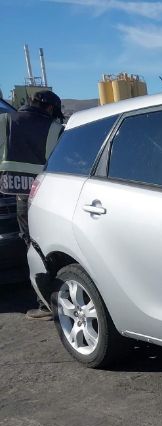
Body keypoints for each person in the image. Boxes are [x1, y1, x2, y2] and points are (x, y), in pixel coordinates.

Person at [0, 90, 64, 319]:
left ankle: (44, 303)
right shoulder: (54, 128)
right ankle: (50, 301)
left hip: (17, 195)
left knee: (31, 246)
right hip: (46, 193)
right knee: (49, 245)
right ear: (50, 108)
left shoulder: (6, 119)